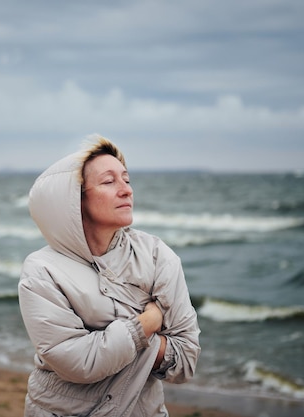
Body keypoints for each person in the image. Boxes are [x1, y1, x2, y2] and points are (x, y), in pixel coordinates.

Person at [18, 135, 201, 417]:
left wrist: (106, 340)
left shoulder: (156, 255)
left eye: (126, 180)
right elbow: (78, 361)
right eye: (108, 181)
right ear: (74, 200)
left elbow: (186, 361)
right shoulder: (42, 269)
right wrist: (146, 323)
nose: (126, 190)